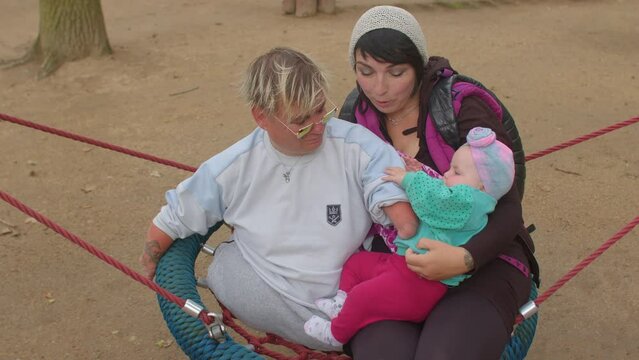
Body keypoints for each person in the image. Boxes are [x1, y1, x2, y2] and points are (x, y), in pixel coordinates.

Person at [138, 47, 420, 351]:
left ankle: (336, 329)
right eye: (301, 120)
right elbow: (175, 215)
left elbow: (386, 180)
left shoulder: (354, 144)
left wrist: (402, 217)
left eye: (321, 110)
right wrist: (150, 261)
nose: (318, 126)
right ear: (262, 117)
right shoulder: (233, 166)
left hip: (347, 288)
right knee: (224, 267)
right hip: (270, 287)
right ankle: (330, 332)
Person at [341, 6, 539, 359]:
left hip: (483, 263)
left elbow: (509, 205)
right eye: (365, 71)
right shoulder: (355, 116)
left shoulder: (461, 105)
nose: (379, 88)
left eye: (396, 72)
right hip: (396, 264)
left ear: (419, 67)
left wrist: (465, 258)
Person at [304, 127, 515, 347]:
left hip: (419, 282)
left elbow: (436, 199)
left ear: (483, 185)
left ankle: (336, 334)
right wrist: (421, 173)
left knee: (362, 296)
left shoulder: (471, 202)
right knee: (356, 264)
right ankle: (341, 302)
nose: (446, 174)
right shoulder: (464, 196)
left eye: (457, 172)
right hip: (403, 265)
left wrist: (409, 179)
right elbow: (440, 191)